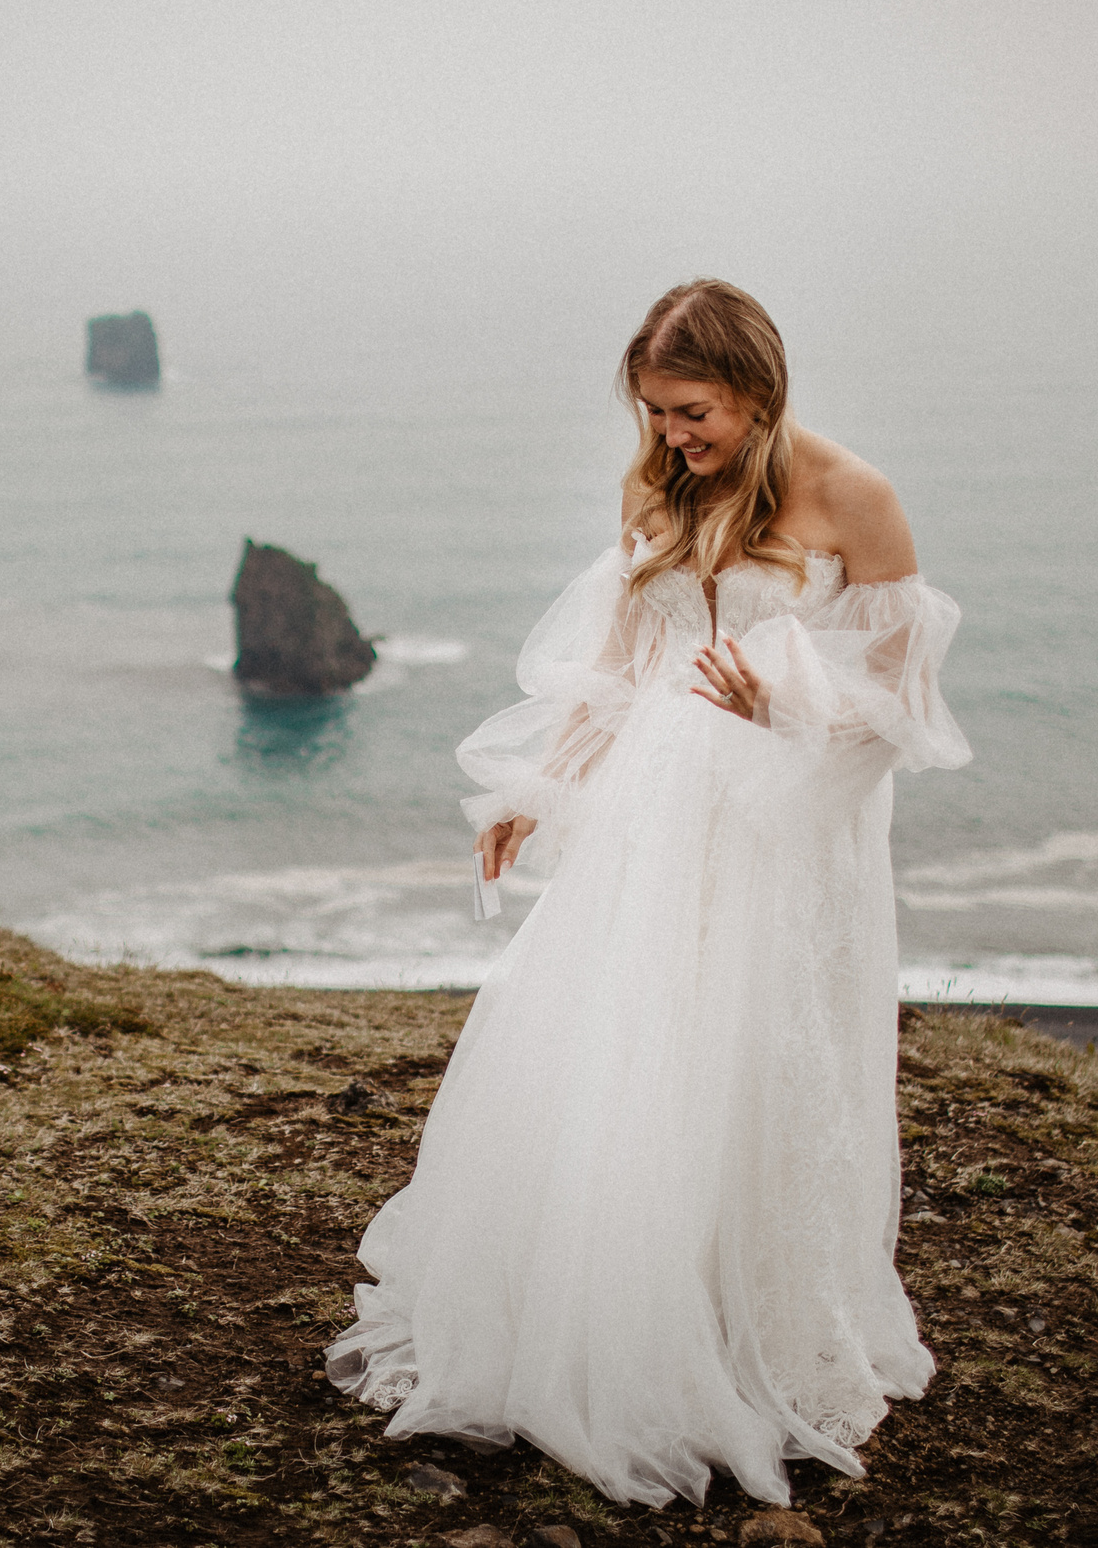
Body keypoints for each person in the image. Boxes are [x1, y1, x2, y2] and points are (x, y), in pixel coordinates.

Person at [323, 279, 972, 1508]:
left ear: (756, 387)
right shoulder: (653, 493)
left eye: (692, 412)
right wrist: (533, 789)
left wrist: (791, 707)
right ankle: (607, 1313)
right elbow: (618, 673)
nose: (673, 438)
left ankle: (751, 1330)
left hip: (788, 831)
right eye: (658, 415)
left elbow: (905, 705)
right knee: (634, 1049)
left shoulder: (854, 498)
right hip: (653, 820)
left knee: (758, 1061)